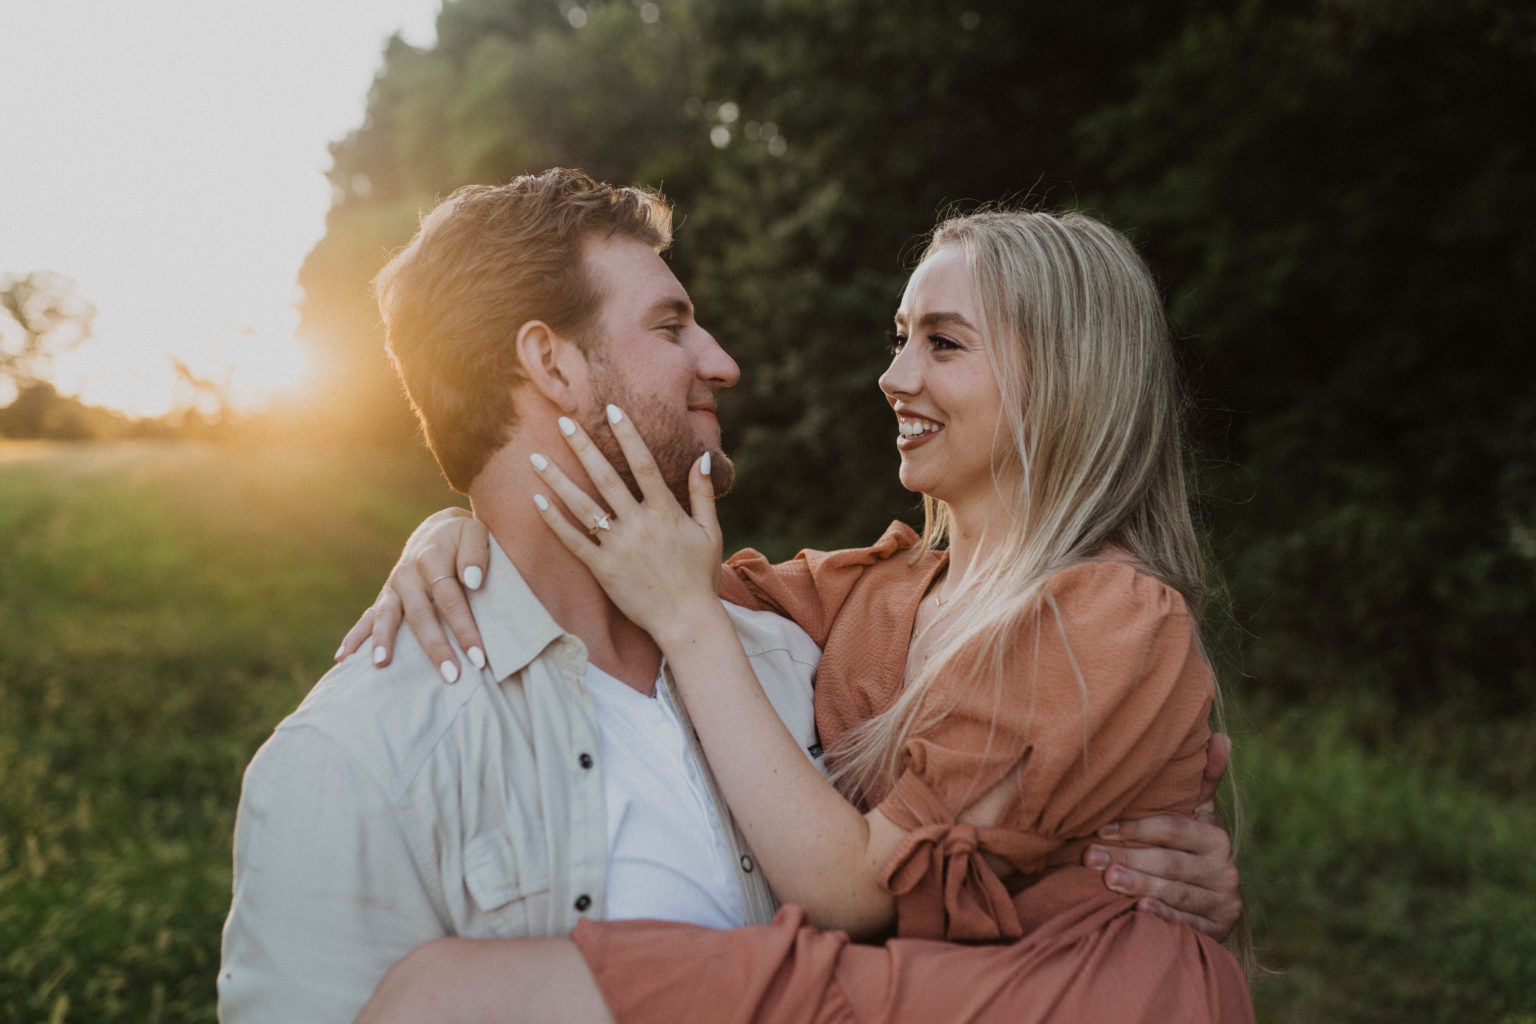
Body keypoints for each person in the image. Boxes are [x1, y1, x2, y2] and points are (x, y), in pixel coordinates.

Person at [341, 204, 1253, 1022]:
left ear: (1065, 376)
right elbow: (607, 579)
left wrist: (693, 625)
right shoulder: (874, 589)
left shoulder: (1114, 615)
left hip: (1084, 994)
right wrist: (455, 529)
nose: (894, 377)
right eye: (898, 339)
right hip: (928, 981)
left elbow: (853, 891)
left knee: (465, 998)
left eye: (943, 343)